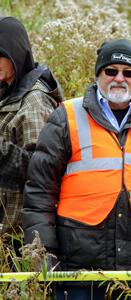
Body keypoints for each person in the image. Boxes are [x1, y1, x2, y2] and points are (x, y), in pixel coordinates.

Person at [23, 39, 131, 299]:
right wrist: (43, 254)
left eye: (128, 73)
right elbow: (39, 194)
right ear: (98, 74)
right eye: (110, 71)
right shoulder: (66, 116)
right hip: (79, 272)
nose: (119, 79)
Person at [0, 16, 62, 234]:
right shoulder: (6, 87)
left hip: (16, 236)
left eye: (0, 55)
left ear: (15, 53)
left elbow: (42, 171)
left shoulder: (34, 102)